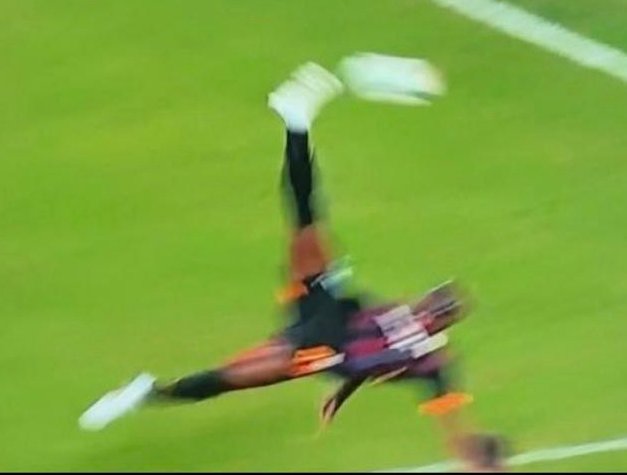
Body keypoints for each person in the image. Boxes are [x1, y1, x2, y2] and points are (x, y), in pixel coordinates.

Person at [79, 62, 506, 471]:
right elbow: (375, 354)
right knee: (305, 217)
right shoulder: (399, 315)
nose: (431, 308)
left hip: (318, 350)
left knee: (226, 378)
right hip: (324, 308)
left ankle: (144, 393)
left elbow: (438, 410)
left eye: (441, 310)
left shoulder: (432, 361)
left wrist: (473, 458)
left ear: (446, 322)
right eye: (435, 300)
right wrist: (344, 392)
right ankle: (295, 119)